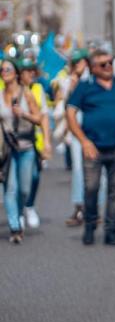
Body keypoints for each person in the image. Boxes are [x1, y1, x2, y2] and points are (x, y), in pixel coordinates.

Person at [66, 50, 115, 246]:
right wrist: (83, 141)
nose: (108, 66)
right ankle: (90, 225)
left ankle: (111, 231)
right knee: (91, 188)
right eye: (102, 64)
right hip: (93, 148)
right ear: (92, 68)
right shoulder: (85, 87)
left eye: (110, 62)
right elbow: (70, 112)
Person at [1, 59, 44, 244]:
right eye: (2, 70)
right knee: (10, 188)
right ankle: (15, 227)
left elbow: (39, 119)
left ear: (16, 73)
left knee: (24, 189)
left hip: (26, 147)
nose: (5, 72)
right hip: (7, 149)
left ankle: (20, 212)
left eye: (8, 69)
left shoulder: (27, 94)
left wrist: (24, 114)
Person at [52, 49, 89, 226]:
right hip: (76, 126)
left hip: (94, 127)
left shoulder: (93, 80)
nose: (79, 66)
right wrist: (71, 88)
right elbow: (65, 104)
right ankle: (79, 206)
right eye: (75, 62)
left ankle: (96, 208)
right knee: (78, 168)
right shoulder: (68, 80)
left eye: (81, 61)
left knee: (99, 170)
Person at [17, 59, 51, 230]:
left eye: (33, 71)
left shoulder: (37, 89)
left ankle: (29, 206)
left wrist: (47, 141)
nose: (32, 74)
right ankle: (17, 211)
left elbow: (44, 116)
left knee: (35, 177)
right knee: (16, 180)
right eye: (27, 71)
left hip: (34, 141)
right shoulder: (7, 89)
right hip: (13, 141)